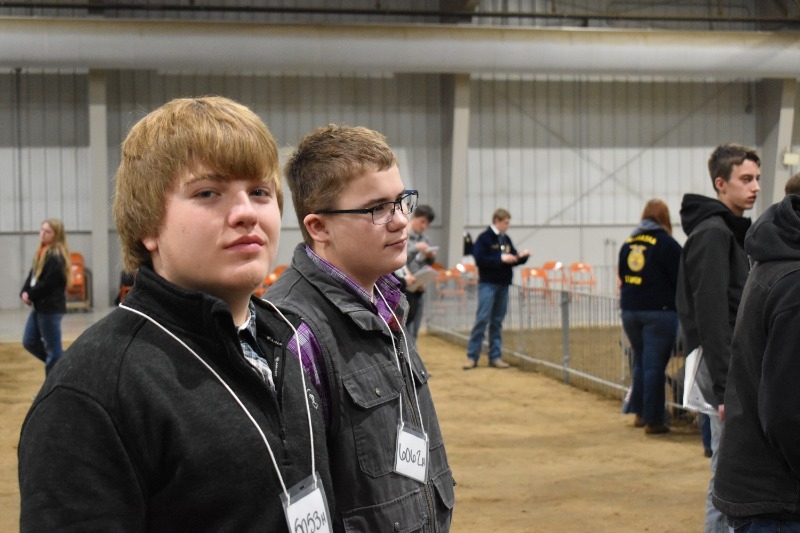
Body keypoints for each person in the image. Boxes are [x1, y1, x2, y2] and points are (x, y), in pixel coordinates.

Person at [18, 96, 333, 532]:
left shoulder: (290, 341)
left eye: (260, 192)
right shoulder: (94, 392)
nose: (247, 212)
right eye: (208, 193)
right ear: (148, 225)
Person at [266, 124, 455, 532]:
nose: (401, 221)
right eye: (377, 209)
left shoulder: (386, 301)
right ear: (319, 227)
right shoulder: (293, 333)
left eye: (402, 201)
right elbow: (300, 498)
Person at [675, 142, 760, 533]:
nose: (755, 187)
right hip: (727, 373)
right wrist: (726, 387)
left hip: (736, 369)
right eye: (746, 179)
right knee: (725, 473)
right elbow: (711, 315)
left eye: (757, 178)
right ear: (720, 183)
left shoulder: (729, 232)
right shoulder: (713, 235)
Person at [712, 194, 800, 531]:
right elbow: (787, 413)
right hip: (780, 498)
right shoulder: (794, 283)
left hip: (761, 486)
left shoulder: (777, 256)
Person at [618, 199, 682, 435]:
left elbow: (622, 275)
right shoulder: (667, 244)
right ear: (664, 217)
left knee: (641, 362)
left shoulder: (629, 242)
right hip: (659, 312)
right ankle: (654, 420)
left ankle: (640, 413)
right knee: (654, 366)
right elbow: (680, 279)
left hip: (630, 311)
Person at [463, 208, 530, 370]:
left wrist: (521, 257)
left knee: (497, 321)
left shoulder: (505, 239)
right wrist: (500, 258)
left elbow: (512, 257)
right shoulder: (484, 238)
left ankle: (495, 356)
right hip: (488, 284)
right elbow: (479, 259)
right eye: (506, 222)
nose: (507, 226)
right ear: (497, 221)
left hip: (503, 284)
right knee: (482, 319)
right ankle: (472, 356)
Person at [20, 218, 71, 375]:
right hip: (40, 306)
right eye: (42, 230)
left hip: (50, 308)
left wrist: (30, 294)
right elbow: (32, 276)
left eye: (47, 231)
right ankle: (63, 365)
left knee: (53, 351)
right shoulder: (41, 252)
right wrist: (24, 291)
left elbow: (48, 284)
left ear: (56, 235)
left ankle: (53, 387)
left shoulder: (56, 256)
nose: (42, 234)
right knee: (29, 341)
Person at [402, 204, 437, 342]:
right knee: (407, 330)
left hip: (419, 288)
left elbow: (429, 263)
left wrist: (430, 256)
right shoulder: (403, 235)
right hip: (405, 288)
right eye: (422, 221)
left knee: (415, 330)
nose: (424, 226)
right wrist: (415, 248)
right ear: (414, 217)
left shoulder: (425, 239)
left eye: (427, 224)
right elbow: (401, 260)